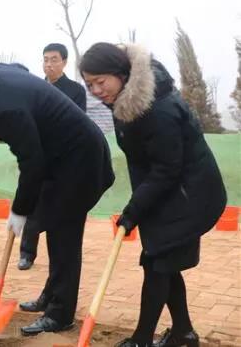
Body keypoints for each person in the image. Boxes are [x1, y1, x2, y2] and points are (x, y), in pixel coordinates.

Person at [0, 57, 114, 335]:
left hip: (80, 161)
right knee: (54, 226)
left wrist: (19, 210)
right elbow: (19, 72)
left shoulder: (3, 110)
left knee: (63, 235)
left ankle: (60, 314)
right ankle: (50, 297)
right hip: (61, 157)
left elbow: (32, 164)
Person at [80, 43, 226, 347]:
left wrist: (133, 212)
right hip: (169, 192)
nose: (95, 90)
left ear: (121, 74)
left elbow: (166, 170)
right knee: (162, 262)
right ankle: (184, 333)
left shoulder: (157, 109)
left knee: (158, 262)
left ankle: (142, 339)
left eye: (100, 81)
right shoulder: (127, 100)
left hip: (189, 195)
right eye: (89, 84)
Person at [19, 43, 88, 271]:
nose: (49, 64)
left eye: (54, 60)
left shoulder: (75, 91)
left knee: (61, 210)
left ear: (64, 62)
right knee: (33, 205)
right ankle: (27, 253)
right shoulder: (34, 87)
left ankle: (60, 259)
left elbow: (77, 124)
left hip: (65, 159)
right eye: (45, 59)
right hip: (38, 156)